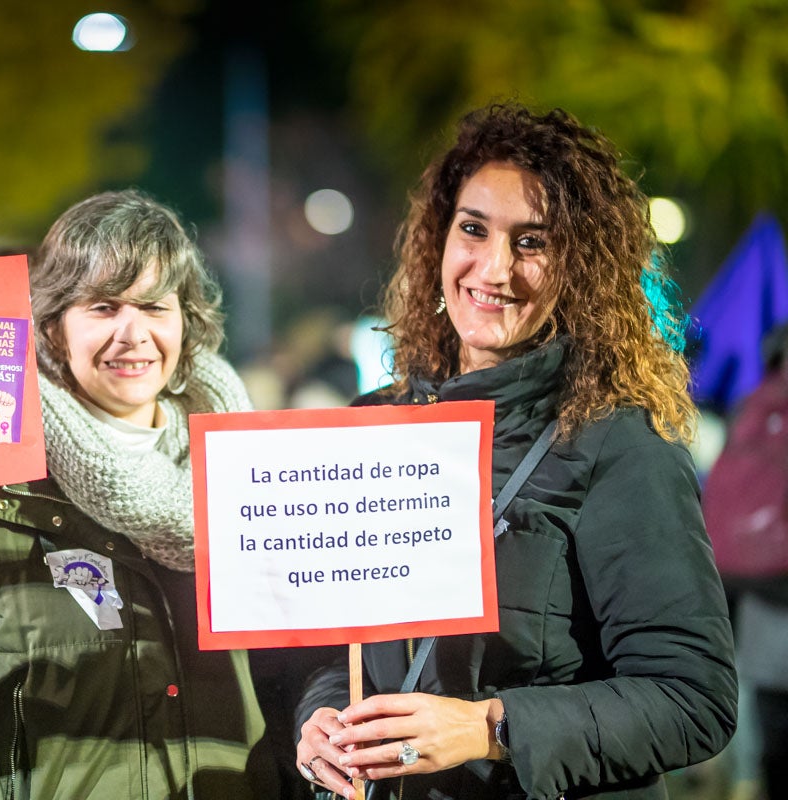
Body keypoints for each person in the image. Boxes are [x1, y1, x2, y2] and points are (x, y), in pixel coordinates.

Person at [295, 104, 738, 800]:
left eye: (532, 242)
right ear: (439, 240)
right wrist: (317, 720)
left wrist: (491, 728)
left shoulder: (618, 438)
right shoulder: (372, 424)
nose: (494, 267)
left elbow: (694, 700)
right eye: (473, 229)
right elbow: (338, 651)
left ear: (581, 268)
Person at [0, 190, 268, 798]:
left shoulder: (246, 471)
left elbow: (294, 690)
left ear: (187, 321)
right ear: (52, 326)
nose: (134, 334)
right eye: (103, 307)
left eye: (155, 306)